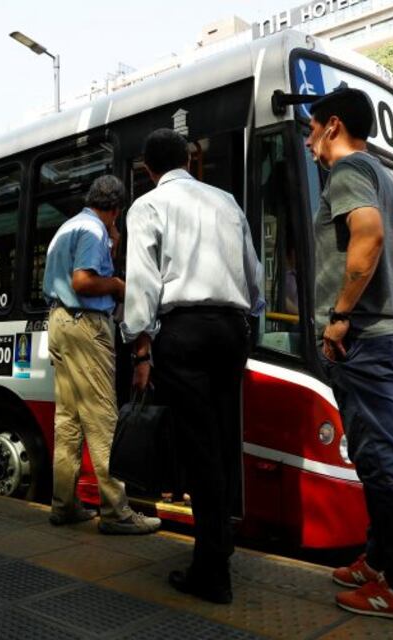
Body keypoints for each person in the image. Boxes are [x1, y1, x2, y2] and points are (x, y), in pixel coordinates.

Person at [123, 128, 263, 604]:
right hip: (232, 328)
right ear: (188, 158)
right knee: (222, 442)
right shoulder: (225, 200)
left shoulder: (148, 206)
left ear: (147, 168)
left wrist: (140, 349)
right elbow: (254, 273)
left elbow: (141, 284)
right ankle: (220, 544)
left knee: (200, 448)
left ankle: (211, 573)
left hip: (184, 332)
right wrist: (248, 314)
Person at [306, 88, 393, 623]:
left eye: (312, 128)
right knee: (378, 455)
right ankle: (378, 562)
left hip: (365, 335)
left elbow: (370, 237)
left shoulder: (349, 170)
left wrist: (340, 315)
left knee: (382, 461)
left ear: (333, 126)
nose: (310, 140)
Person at [43, 175, 160, 535]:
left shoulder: (67, 228)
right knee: (102, 417)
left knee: (69, 420)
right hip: (85, 325)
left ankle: (64, 504)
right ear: (115, 209)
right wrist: (120, 285)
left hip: (59, 323)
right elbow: (84, 281)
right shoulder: (94, 230)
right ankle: (116, 511)